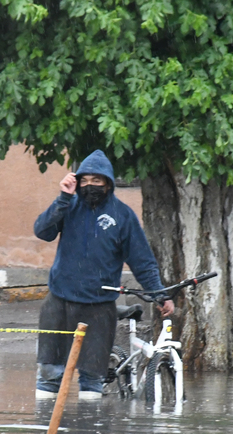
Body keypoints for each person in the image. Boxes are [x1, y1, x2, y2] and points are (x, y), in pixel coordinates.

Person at [33, 149, 174, 400]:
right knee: (49, 373)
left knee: (92, 378)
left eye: (96, 181)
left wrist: (160, 295)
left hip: (98, 308)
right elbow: (42, 231)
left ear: (108, 184)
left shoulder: (123, 216)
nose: (90, 186)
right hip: (59, 302)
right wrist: (63, 198)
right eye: (84, 181)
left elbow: (142, 261)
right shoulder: (68, 206)